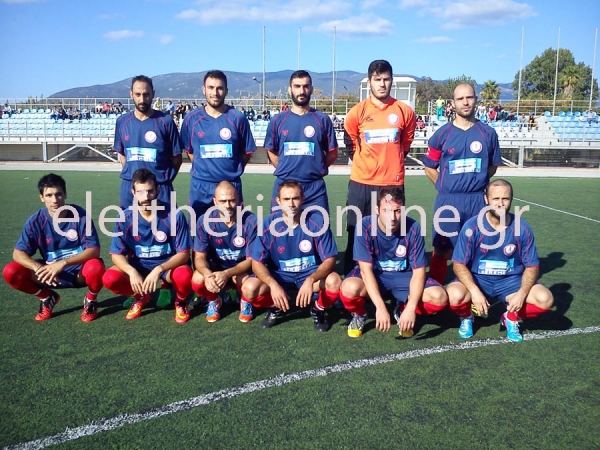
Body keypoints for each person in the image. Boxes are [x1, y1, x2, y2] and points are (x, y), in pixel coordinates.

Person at [446, 179, 554, 342]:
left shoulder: (522, 228)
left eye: (505, 199)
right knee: (453, 295)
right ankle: (467, 316)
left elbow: (532, 266)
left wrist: (522, 293)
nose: (500, 204)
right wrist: (474, 291)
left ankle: (511, 317)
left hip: (510, 282)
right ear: (486, 199)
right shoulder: (472, 227)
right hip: (478, 279)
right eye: (496, 199)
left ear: (511, 199)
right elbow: (458, 264)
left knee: (545, 300)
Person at [339, 187, 447, 338]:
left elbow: (418, 272)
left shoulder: (413, 227)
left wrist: (411, 308)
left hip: (403, 276)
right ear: (377, 209)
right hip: (375, 274)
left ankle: (402, 309)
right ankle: (360, 314)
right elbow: (365, 270)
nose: (393, 217)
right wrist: (380, 307)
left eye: (397, 211)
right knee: (349, 288)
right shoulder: (364, 226)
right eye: (387, 211)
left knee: (439, 297)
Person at [422, 83, 502, 286]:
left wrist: (477, 182)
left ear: (475, 100)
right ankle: (435, 291)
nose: (465, 102)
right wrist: (445, 185)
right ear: (453, 103)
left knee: (477, 247)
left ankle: (473, 293)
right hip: (448, 201)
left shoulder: (488, 134)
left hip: (477, 200)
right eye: (460, 99)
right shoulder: (442, 135)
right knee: (442, 249)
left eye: (469, 97)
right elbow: (429, 167)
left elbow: (492, 166)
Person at [343, 59, 416, 273]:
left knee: (392, 231)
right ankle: (352, 277)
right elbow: (350, 143)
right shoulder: (357, 112)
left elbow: (405, 145)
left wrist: (390, 163)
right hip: (361, 183)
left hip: (392, 183)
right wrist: (366, 165)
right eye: (377, 79)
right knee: (356, 231)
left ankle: (390, 276)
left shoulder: (404, 111)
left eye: (386, 79)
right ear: (369, 82)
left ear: (391, 81)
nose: (382, 84)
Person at [2, 173, 105, 322]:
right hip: (49, 274)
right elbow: (18, 253)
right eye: (49, 195)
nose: (55, 200)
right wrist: (38, 267)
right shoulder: (35, 221)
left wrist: (62, 263)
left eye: (58, 194)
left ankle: (90, 300)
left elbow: (94, 250)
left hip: (78, 273)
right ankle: (46, 297)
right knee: (11, 271)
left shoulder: (80, 216)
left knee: (96, 267)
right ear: (41, 197)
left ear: (65, 194)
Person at [242, 180, 341, 331]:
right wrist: (273, 285)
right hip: (280, 276)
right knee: (249, 288)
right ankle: (275, 307)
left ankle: (317, 309)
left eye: (295, 198)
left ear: (303, 199)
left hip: (310, 274)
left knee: (335, 282)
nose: (291, 204)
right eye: (286, 199)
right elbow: (257, 263)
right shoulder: (268, 225)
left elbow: (330, 259)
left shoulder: (317, 222)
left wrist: (311, 279)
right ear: (278, 201)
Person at [102, 169, 193, 323]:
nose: (145, 197)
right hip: (139, 266)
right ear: (133, 192)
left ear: (158, 190)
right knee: (110, 278)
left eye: (150, 191)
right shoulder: (124, 217)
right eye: (140, 192)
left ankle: (181, 301)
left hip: (167, 266)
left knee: (184, 276)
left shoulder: (174, 215)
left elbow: (184, 254)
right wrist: (131, 272)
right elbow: (116, 254)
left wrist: (159, 269)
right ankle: (140, 296)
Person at [180, 70, 256, 218]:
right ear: (204, 90)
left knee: (233, 229)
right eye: (211, 87)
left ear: (226, 91)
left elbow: (246, 152)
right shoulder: (191, 119)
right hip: (201, 187)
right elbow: (189, 151)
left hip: (231, 186)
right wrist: (204, 169)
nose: (215, 93)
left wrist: (231, 171)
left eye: (220, 88)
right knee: (197, 228)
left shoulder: (238, 118)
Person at [264, 70, 338, 213]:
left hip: (314, 190)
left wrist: (316, 168)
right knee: (279, 227)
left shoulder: (322, 119)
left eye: (305, 86)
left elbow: (332, 152)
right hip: (285, 187)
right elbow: (271, 151)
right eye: (297, 86)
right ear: (290, 89)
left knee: (319, 227)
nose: (301, 91)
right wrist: (286, 169)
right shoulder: (278, 121)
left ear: (311, 89)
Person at [113, 75, 183, 210]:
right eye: (138, 94)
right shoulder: (122, 122)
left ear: (153, 94)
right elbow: (122, 155)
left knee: (167, 223)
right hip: (130, 187)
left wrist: (163, 180)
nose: (142, 99)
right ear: (131, 94)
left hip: (160, 188)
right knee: (129, 222)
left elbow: (177, 158)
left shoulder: (166, 121)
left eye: (146, 94)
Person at [192, 181, 258, 323]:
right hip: (216, 268)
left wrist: (227, 273)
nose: (228, 205)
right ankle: (214, 300)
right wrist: (207, 274)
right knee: (197, 279)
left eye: (232, 200)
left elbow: (252, 260)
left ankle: (245, 301)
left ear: (239, 200)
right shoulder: (204, 221)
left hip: (241, 270)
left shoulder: (251, 221)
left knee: (246, 283)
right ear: (215, 202)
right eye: (223, 201)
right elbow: (199, 257)